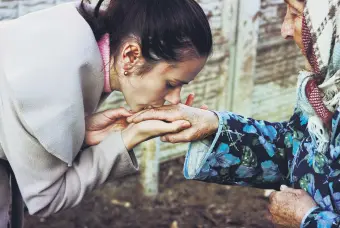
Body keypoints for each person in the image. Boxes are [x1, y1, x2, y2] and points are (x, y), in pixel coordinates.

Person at [127, 0, 340, 227]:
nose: (284, 30)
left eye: (296, 14)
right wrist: (214, 127)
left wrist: (309, 220)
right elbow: (295, 151)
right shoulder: (323, 91)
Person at [0, 0, 212, 226]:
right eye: (171, 84)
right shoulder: (49, 85)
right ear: (131, 55)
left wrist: (81, 133)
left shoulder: (73, 34)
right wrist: (129, 138)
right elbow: (47, 198)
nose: (175, 99)